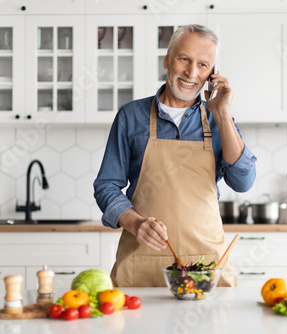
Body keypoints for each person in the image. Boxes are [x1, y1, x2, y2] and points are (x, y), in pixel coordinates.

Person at [93, 24, 256, 287]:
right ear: (168, 59)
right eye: (184, 59)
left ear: (213, 74)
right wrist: (135, 224)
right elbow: (106, 186)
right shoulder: (131, 116)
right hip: (142, 263)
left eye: (203, 65)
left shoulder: (218, 121)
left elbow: (243, 182)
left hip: (206, 267)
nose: (192, 73)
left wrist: (223, 114)